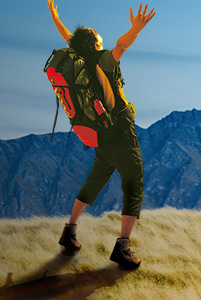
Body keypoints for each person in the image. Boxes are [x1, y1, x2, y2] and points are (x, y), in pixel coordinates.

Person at [48, 0, 155, 270]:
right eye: (96, 34)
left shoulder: (79, 61)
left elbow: (68, 37)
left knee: (95, 180)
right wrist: (136, 29)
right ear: (95, 43)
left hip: (99, 133)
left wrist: (54, 15)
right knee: (134, 180)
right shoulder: (102, 60)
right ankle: (123, 247)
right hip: (119, 130)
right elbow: (121, 46)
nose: (99, 35)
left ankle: (69, 231)